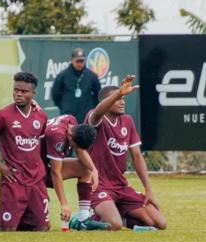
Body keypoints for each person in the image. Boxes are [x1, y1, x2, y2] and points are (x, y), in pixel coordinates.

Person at [84, 75, 167, 231]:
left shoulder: (127, 121)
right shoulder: (95, 118)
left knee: (159, 223)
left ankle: (120, 216)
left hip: (121, 186)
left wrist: (148, 189)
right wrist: (119, 92)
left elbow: (136, 156)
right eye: (117, 99)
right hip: (99, 186)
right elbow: (98, 111)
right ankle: (84, 220)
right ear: (105, 102)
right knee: (113, 225)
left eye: (123, 99)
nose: (122, 102)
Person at [0, 72, 49, 231]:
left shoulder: (41, 115)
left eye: (24, 92)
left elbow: (39, 144)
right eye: (16, 90)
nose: (18, 94)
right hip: (14, 179)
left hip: (36, 180)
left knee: (42, 228)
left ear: (33, 94)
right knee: (7, 229)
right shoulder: (3, 115)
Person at [42, 114, 110, 230]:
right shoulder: (57, 136)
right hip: (32, 171)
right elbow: (55, 172)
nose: (74, 148)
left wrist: (94, 170)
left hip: (44, 165)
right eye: (74, 145)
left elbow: (80, 150)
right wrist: (64, 204)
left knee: (86, 169)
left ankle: (83, 220)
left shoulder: (71, 121)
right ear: (70, 136)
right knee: (41, 226)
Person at [51, 48, 101, 123]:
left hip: (86, 116)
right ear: (72, 60)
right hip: (68, 115)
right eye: (77, 61)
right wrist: (64, 106)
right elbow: (55, 94)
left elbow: (98, 94)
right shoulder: (63, 75)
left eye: (82, 61)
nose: (79, 64)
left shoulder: (92, 76)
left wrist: (92, 108)